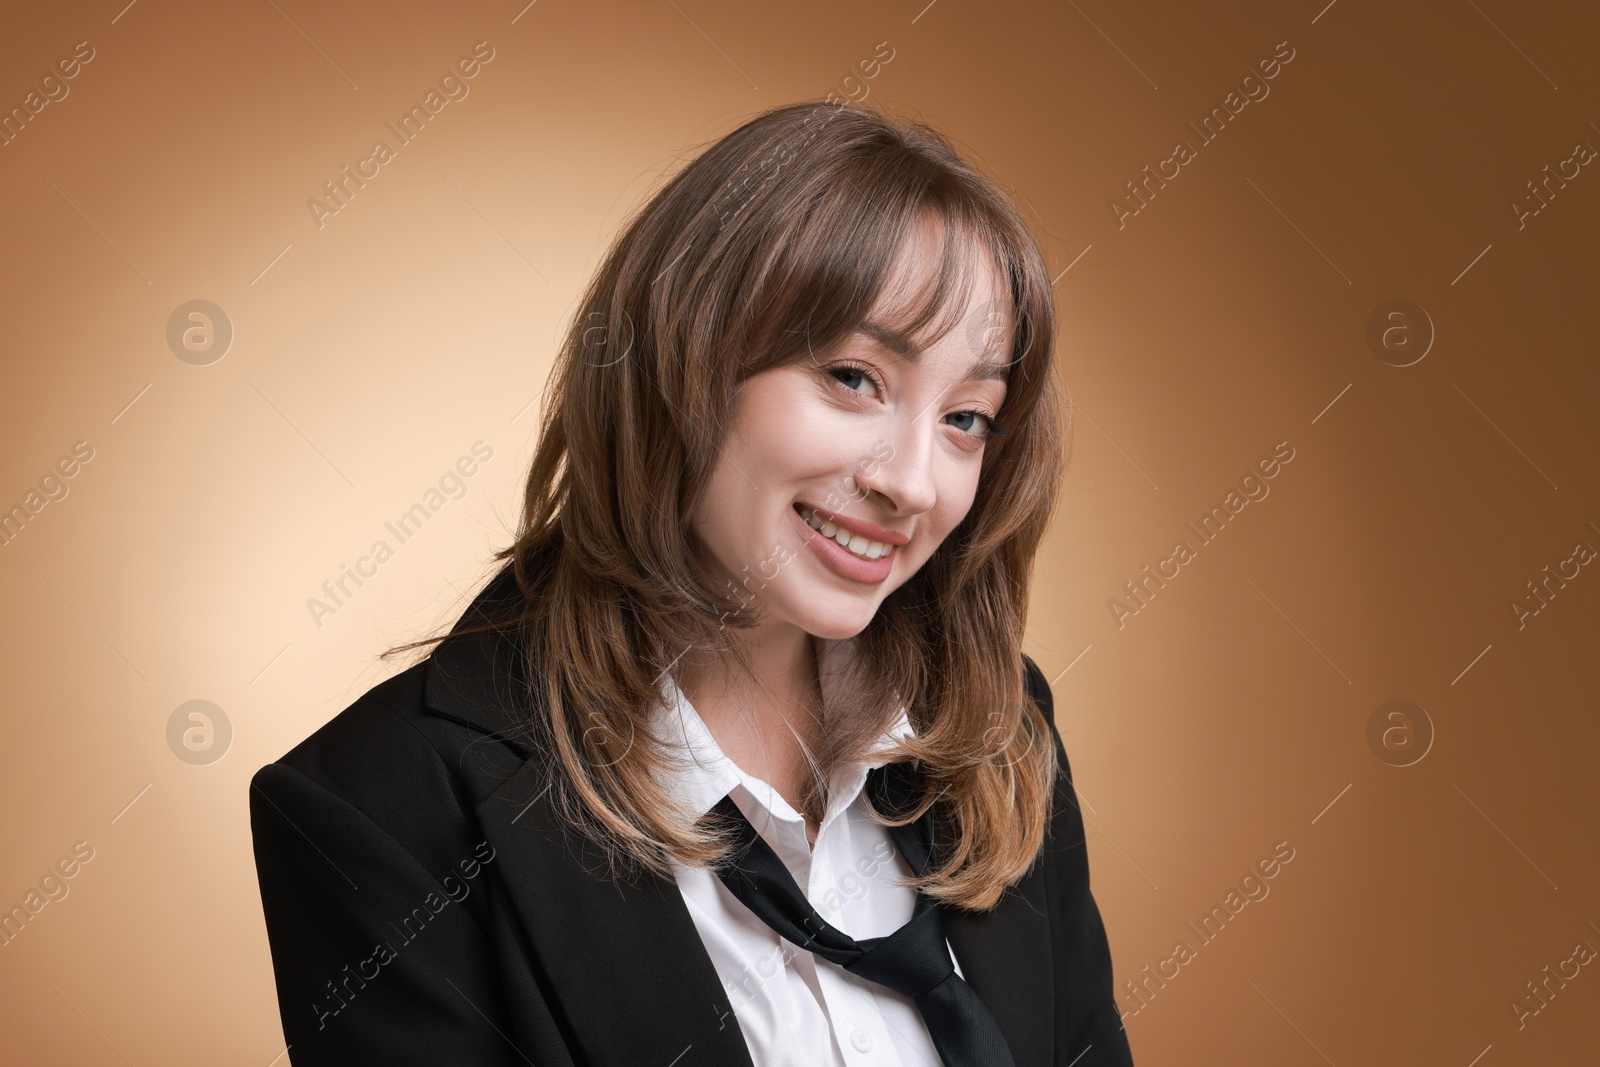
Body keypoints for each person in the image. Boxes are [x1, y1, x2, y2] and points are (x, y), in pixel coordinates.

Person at [250, 99, 1134, 1066]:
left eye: (968, 417)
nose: (910, 482)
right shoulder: (381, 813)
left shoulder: (998, 730)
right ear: (684, 358)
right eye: (853, 376)